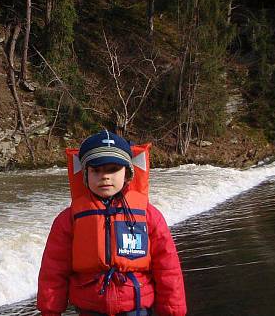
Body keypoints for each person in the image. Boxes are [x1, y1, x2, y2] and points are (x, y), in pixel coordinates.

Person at [37, 130, 187, 316]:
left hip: (136, 308)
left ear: (127, 173)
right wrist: (50, 311)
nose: (105, 176)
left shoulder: (149, 215)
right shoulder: (68, 219)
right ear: (85, 174)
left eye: (113, 169)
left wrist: (172, 311)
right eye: (96, 170)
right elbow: (53, 270)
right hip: (90, 309)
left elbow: (168, 268)